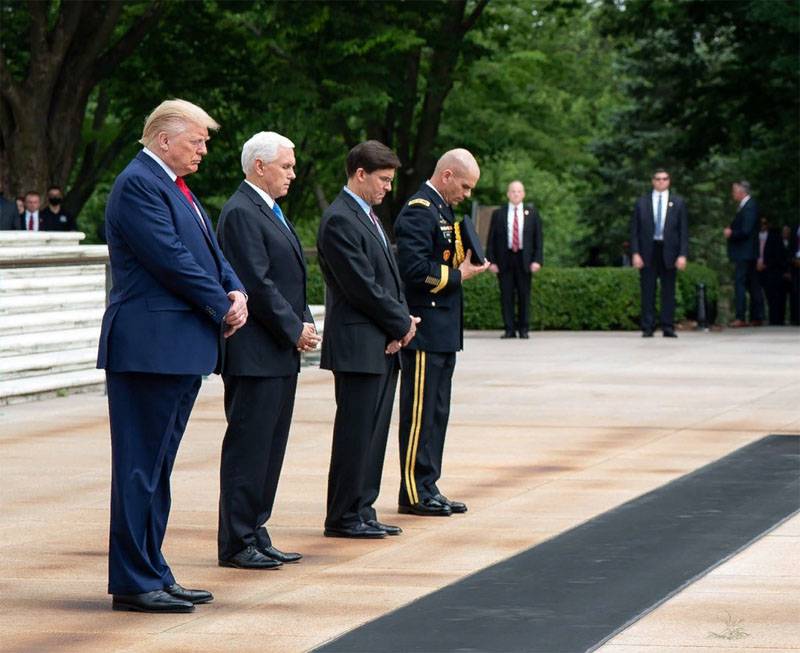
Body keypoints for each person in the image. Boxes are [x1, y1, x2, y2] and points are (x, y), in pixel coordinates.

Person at [97, 99, 248, 613]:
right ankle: (135, 581)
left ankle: (153, 570)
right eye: (197, 141)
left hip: (174, 349)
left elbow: (209, 252)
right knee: (140, 467)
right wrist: (218, 305)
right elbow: (170, 259)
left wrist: (234, 289)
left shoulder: (174, 187)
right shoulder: (140, 183)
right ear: (164, 140)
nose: (204, 150)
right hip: (148, 349)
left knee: (156, 467)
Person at [216, 132, 319, 568]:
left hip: (277, 353)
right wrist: (294, 328)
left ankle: (256, 529)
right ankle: (237, 542)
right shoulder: (242, 211)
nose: (293, 174)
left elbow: (288, 278)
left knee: (270, 447)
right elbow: (256, 283)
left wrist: (305, 320)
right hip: (256, 353)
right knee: (249, 448)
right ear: (259, 166)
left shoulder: (270, 209)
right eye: (286, 166)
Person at [317, 140, 418, 539]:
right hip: (359, 344)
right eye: (383, 179)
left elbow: (390, 281)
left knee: (374, 433)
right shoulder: (341, 219)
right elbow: (361, 286)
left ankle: (363, 508)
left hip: (379, 341)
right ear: (360, 174)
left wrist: (402, 322)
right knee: (355, 433)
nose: (387, 187)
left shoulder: (369, 217)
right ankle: (343, 515)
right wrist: (400, 324)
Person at [394, 148, 489, 517]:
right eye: (464, 186)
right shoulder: (420, 209)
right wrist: (459, 275)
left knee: (437, 411)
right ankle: (414, 490)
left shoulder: (441, 209)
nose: (466, 194)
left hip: (443, 327)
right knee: (419, 414)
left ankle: (429, 483)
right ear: (447, 175)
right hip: (425, 326)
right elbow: (415, 269)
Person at [630, 169, 688, 337]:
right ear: (652, 181)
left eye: (665, 179)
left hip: (669, 250)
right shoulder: (642, 202)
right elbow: (635, 230)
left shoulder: (677, 202)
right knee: (647, 289)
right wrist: (635, 252)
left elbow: (683, 231)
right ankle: (648, 326)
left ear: (669, 181)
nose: (661, 182)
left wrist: (682, 254)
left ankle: (667, 326)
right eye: (658, 179)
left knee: (668, 290)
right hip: (648, 250)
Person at [486, 180, 543, 339]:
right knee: (506, 295)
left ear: (523, 194)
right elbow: (491, 239)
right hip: (505, 259)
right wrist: (491, 261)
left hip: (525, 259)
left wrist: (537, 260)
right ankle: (509, 329)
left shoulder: (532, 213)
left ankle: (524, 329)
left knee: (524, 295)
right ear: (508, 194)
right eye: (513, 191)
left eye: (519, 191)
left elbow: (538, 239)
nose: (516, 194)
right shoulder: (499, 213)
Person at [725, 181, 763, 327]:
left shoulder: (749, 207)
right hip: (748, 252)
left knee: (741, 283)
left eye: (734, 191)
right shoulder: (746, 206)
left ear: (742, 192)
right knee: (752, 283)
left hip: (744, 252)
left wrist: (731, 233)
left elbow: (746, 230)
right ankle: (756, 316)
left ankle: (741, 317)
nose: (733, 194)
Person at [758, 217, 787, 325]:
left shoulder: (775, 237)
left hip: (771, 270)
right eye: (760, 223)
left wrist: (766, 264)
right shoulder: (753, 237)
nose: (762, 226)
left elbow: (779, 255)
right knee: (758, 295)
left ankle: (775, 320)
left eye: (764, 223)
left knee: (774, 296)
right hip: (755, 268)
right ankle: (757, 318)